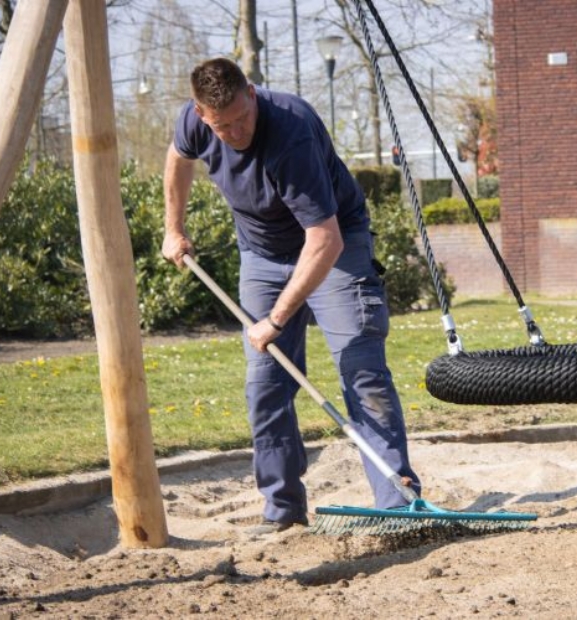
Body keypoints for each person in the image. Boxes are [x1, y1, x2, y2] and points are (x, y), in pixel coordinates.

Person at [162, 57, 421, 533]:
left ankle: (398, 502)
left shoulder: (292, 132)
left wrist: (277, 320)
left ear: (253, 94)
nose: (236, 132)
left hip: (334, 245)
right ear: (202, 115)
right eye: (223, 126)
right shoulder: (195, 123)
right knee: (266, 383)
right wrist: (173, 229)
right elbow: (178, 159)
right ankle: (282, 510)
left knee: (360, 368)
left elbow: (325, 240)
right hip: (262, 256)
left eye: (242, 118)